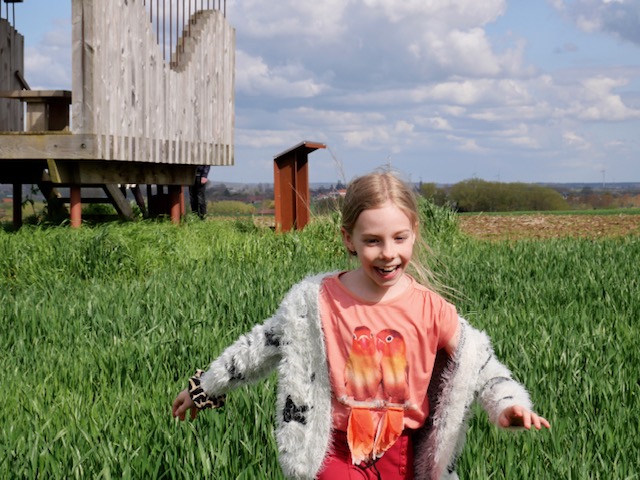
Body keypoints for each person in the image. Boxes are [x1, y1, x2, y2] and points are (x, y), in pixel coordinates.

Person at [172, 171, 550, 479]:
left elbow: (480, 365)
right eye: (372, 241)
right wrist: (205, 387)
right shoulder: (316, 301)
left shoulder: (431, 308)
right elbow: (261, 345)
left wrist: (508, 405)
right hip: (331, 450)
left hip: (400, 456)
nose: (388, 253)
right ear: (349, 240)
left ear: (414, 232)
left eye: (399, 238)